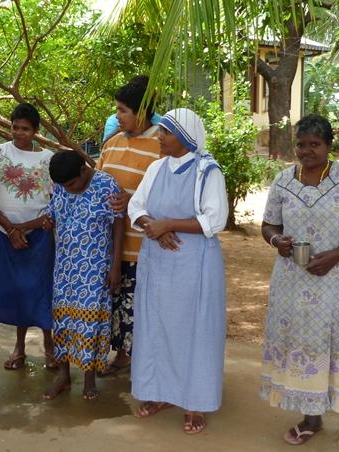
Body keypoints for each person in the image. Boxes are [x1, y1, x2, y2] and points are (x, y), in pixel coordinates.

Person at [260, 114, 339, 451]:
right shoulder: (283, 181)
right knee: (303, 346)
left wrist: (334, 255)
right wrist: (276, 241)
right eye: (301, 144)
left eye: (314, 144)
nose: (306, 150)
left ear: (328, 146)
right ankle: (311, 418)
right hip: (293, 283)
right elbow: (268, 226)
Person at [128, 108, 228, 433]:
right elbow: (136, 206)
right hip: (158, 263)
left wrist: (169, 223)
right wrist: (152, 226)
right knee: (157, 328)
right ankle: (160, 392)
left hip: (194, 265)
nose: (159, 137)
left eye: (165, 133)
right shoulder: (156, 168)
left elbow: (215, 220)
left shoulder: (207, 171)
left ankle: (194, 401)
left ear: (185, 137)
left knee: (194, 331)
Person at [43, 150, 125, 400]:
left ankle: (89, 380)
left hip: (95, 268)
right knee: (63, 320)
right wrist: (48, 221)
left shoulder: (106, 184)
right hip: (64, 267)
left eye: (71, 184)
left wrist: (115, 265)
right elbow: (53, 214)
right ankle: (64, 376)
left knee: (90, 323)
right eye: (63, 186)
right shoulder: (60, 186)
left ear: (83, 170)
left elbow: (119, 223)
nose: (68, 189)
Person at [0, 103, 57, 370]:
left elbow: (55, 201)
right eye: (15, 127)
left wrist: (28, 227)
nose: (19, 133)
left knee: (40, 289)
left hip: (38, 235)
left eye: (25, 129)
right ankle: (19, 347)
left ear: (35, 131)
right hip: (5, 234)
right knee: (15, 292)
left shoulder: (48, 158)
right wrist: (11, 229)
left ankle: (50, 345)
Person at [95, 75, 162, 377]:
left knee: (135, 307)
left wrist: (132, 202)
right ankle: (119, 355)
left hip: (142, 245)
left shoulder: (162, 145)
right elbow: (98, 182)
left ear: (143, 112)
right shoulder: (112, 143)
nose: (117, 116)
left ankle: (135, 359)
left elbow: (167, 194)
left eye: (123, 110)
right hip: (107, 244)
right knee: (113, 302)